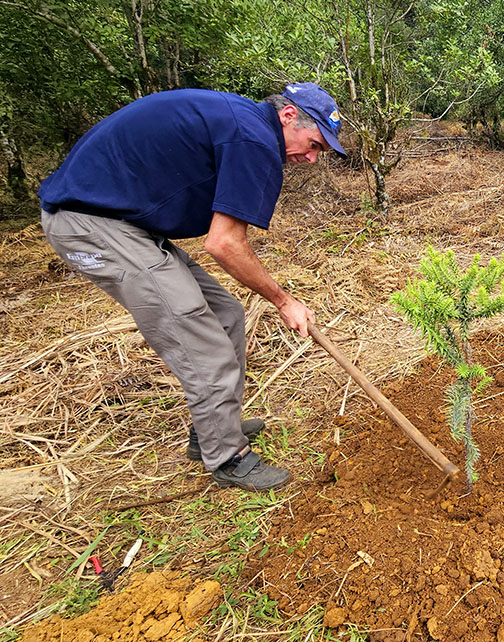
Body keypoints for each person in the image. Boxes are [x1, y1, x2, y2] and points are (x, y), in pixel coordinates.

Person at [39, 82, 347, 489]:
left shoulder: (243, 123)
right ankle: (227, 457)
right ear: (288, 116)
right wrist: (283, 300)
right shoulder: (253, 138)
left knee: (225, 314)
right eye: (313, 144)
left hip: (125, 222)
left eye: (320, 151)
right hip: (92, 224)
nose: (310, 158)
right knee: (200, 337)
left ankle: (213, 429)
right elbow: (223, 244)